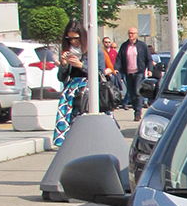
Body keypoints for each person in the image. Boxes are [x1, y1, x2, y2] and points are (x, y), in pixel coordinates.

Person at [51, 20, 102, 148]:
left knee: (87, 112)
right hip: (72, 88)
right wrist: (64, 64)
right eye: (70, 39)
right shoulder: (67, 51)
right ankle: (68, 141)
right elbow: (61, 78)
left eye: (76, 38)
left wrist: (81, 65)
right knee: (69, 112)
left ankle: (91, 141)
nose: (73, 42)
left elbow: (100, 72)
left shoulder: (93, 49)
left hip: (89, 87)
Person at [114, 27, 150, 121]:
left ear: (136, 34)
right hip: (128, 73)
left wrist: (150, 69)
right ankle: (135, 109)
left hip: (139, 72)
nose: (131, 35)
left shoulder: (142, 46)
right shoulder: (124, 46)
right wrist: (116, 68)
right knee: (131, 93)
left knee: (138, 92)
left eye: (133, 33)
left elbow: (148, 58)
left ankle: (138, 112)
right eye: (129, 33)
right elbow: (119, 58)